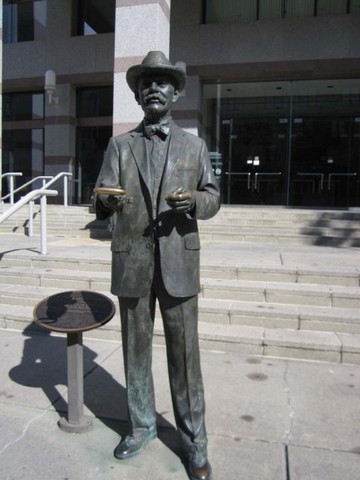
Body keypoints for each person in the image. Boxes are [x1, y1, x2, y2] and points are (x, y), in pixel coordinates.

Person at [94, 50, 220, 480]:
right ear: (137, 94)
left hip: (178, 262)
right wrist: (104, 201)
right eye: (146, 83)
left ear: (175, 92)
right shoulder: (119, 145)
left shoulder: (194, 145)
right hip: (132, 261)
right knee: (135, 354)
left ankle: (194, 443)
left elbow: (213, 196)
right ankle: (142, 425)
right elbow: (99, 195)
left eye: (162, 82)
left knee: (185, 358)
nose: (153, 89)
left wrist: (195, 204)